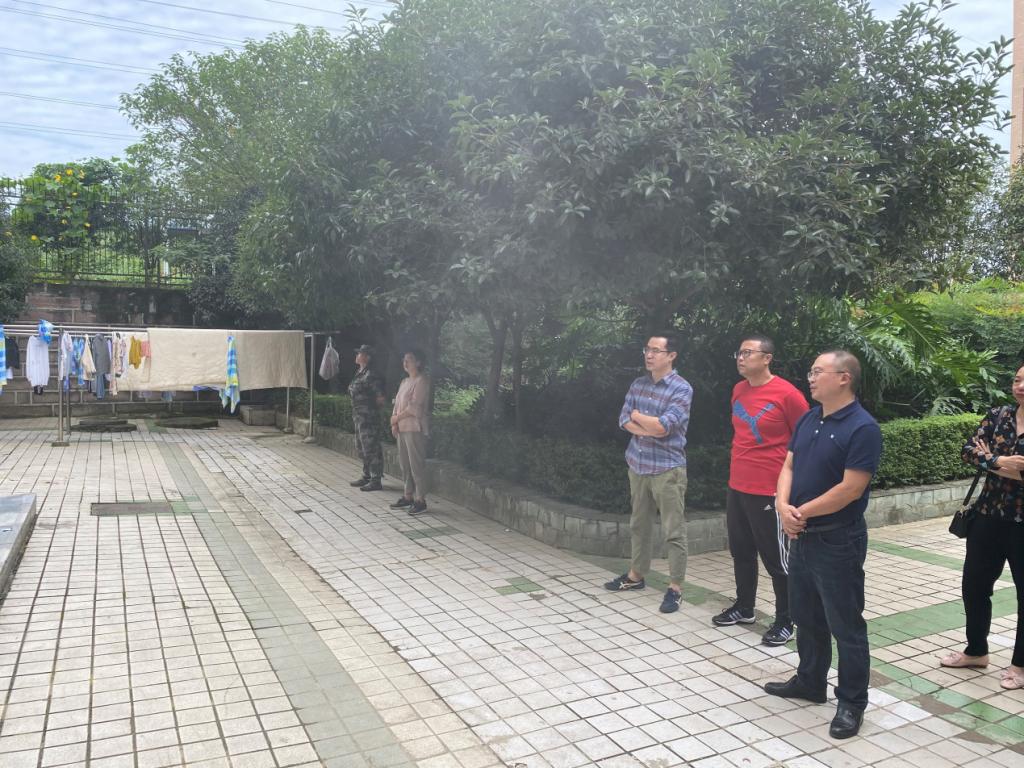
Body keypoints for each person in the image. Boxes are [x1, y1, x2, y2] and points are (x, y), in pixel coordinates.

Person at [764, 350, 882, 740]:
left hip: (838, 539)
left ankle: (851, 702)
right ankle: (810, 681)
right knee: (807, 616)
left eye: (818, 371)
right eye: (811, 371)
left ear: (844, 377)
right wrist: (782, 505)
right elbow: (789, 465)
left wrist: (800, 512)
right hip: (802, 535)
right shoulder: (810, 418)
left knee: (845, 624)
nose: (810, 378)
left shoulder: (863, 428)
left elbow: (851, 488)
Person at [712, 335, 808, 646]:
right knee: (741, 551)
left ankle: (787, 619)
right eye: (739, 353)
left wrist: (791, 490)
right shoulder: (739, 390)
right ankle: (744, 607)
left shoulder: (788, 395)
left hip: (770, 490)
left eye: (748, 352)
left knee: (777, 559)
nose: (741, 358)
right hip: (738, 485)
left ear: (767, 358)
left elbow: (804, 442)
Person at [939, 365, 1024, 690]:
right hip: (988, 516)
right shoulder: (999, 415)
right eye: (1017, 379)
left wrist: (991, 461)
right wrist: (1001, 463)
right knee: (974, 586)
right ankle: (976, 651)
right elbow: (968, 451)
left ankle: (1020, 665)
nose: (1020, 385)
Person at [605, 333, 693, 614]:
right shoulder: (638, 384)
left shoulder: (681, 389)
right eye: (647, 349)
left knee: (673, 530)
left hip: (668, 469)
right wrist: (647, 425)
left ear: (671, 355)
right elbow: (623, 419)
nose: (649, 355)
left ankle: (675, 588)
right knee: (638, 524)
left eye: (656, 350)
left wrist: (638, 417)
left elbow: (663, 427)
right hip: (638, 465)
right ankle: (636, 575)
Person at [389, 348, 431, 515]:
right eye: (404, 359)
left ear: (418, 363)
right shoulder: (404, 382)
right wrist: (395, 422)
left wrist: (396, 418)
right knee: (405, 464)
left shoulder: (422, 381)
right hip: (402, 428)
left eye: (409, 359)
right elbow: (397, 403)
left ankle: (420, 500)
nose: (405, 362)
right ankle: (408, 496)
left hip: (414, 428)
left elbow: (414, 407)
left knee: (416, 465)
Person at [348, 344, 386, 491]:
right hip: (359, 416)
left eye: (360, 353)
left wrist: (371, 411)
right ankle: (367, 476)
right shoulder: (360, 372)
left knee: (372, 447)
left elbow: (380, 398)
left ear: (367, 357)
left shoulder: (372, 374)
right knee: (362, 446)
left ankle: (376, 480)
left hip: (369, 418)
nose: (357, 355)